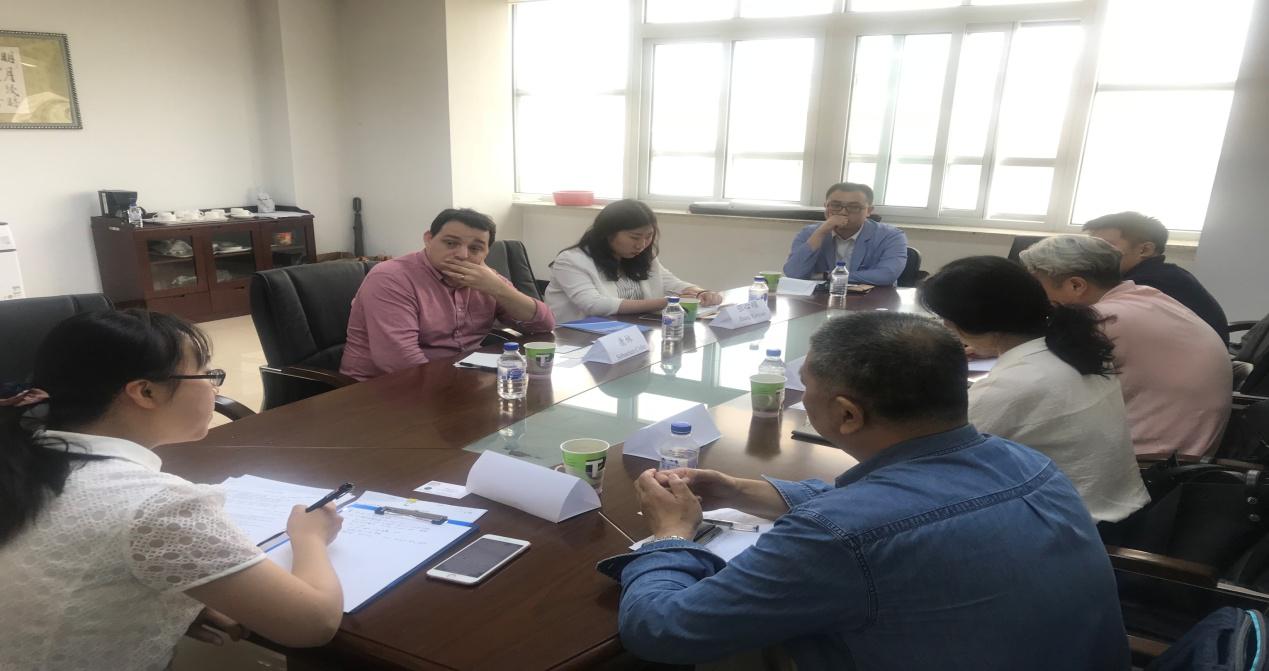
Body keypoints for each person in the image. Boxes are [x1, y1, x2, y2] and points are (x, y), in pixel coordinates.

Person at [598, 312, 1129, 670]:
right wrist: (742, 491)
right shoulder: (1028, 463)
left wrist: (670, 535)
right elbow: (898, 514)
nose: (802, 396)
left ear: (847, 414)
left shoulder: (839, 537)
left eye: (806, 387)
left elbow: (663, 631)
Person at [0, 310, 344, 670]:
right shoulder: (154, 505)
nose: (216, 389)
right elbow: (313, 623)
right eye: (207, 374)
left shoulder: (24, 461)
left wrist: (163, 603)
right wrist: (309, 537)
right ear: (145, 392)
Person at [919, 256, 1149, 522]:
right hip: (1121, 510)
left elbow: (932, 459)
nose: (946, 326)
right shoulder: (1075, 347)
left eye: (947, 319)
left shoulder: (1013, 386)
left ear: (975, 324)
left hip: (1072, 526)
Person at [1020, 235, 1232, 458]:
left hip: (1148, 459)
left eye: (1039, 287)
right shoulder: (1148, 297)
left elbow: (1035, 384)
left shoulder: (1101, 320)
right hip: (1187, 448)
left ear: (1076, 285)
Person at [341, 208, 556, 380]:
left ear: (486, 252)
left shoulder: (486, 278)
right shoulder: (391, 278)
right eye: (451, 243)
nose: (462, 255)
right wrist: (460, 390)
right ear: (428, 239)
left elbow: (544, 325)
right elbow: (399, 362)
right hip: (384, 389)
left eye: (475, 248)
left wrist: (498, 288)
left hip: (461, 380)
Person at [544, 199, 723, 324]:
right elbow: (594, 305)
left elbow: (671, 283)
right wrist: (669, 302)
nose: (642, 244)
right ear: (608, 233)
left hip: (630, 332)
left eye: (648, 236)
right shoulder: (571, 261)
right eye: (635, 237)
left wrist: (700, 292)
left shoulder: (642, 256)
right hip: (576, 338)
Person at [1083, 211, 1229, 343]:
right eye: (1090, 245)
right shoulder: (1166, 273)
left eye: (1104, 245)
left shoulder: (1145, 286)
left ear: (1145, 250)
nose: (1091, 253)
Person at [781, 182, 908, 285]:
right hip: (821, 299)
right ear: (826, 206)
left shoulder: (891, 236)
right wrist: (820, 233)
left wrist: (828, 275)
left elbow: (887, 275)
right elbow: (793, 273)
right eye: (835, 205)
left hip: (872, 301)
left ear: (869, 211)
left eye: (854, 207)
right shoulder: (810, 233)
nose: (843, 212)